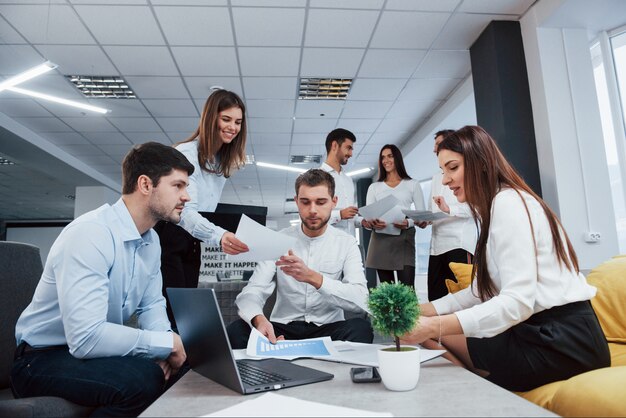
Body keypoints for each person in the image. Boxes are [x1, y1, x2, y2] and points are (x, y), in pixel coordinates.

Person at [400, 126, 610, 392]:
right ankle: (479, 393)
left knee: (432, 335)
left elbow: (517, 302)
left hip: (563, 343)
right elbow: (476, 293)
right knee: (425, 331)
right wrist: (419, 311)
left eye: (452, 168)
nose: (445, 180)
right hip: (542, 332)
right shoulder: (497, 206)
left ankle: (478, 395)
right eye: (443, 171)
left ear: (481, 163)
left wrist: (433, 325)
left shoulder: (508, 203)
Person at [11, 142, 192, 416]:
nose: (187, 196)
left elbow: (150, 305)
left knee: (187, 366)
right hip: (40, 360)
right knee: (141, 380)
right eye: (178, 186)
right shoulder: (91, 233)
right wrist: (165, 344)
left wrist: (165, 349)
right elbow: (86, 338)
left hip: (90, 352)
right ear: (145, 184)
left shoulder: (152, 240)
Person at [227, 169, 373, 349]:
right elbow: (252, 291)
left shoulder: (347, 243)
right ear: (296, 202)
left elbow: (361, 301)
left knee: (361, 328)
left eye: (321, 202)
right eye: (305, 202)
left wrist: (313, 278)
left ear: (334, 202)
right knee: (237, 330)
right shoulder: (276, 240)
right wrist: (258, 319)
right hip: (284, 329)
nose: (312, 210)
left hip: (329, 329)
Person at [154, 89, 249, 324]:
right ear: (210, 119)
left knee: (187, 312)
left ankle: (184, 358)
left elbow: (207, 210)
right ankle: (167, 357)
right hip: (171, 237)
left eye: (237, 122)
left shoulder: (220, 163)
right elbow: (185, 211)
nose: (232, 127)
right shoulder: (185, 154)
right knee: (172, 310)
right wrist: (219, 235)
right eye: (226, 119)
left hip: (192, 241)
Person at [362, 144, 426, 288]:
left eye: (390, 156)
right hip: (381, 239)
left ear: (397, 158)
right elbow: (369, 217)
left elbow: (421, 215)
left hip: (404, 238)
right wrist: (373, 222)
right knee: (388, 293)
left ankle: (408, 312)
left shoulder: (412, 184)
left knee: (407, 290)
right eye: (383, 157)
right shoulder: (374, 187)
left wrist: (408, 223)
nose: (386, 160)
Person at [427, 129, 478, 301]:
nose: (435, 149)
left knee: (464, 297)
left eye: (439, 144)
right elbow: (432, 210)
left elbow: (476, 209)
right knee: (436, 296)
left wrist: (449, 209)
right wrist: (424, 220)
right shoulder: (436, 178)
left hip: (459, 245)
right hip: (436, 248)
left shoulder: (469, 174)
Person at [320, 128, 362, 236]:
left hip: (350, 243)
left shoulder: (348, 180)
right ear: (334, 146)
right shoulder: (318, 177)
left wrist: (363, 222)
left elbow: (350, 218)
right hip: (329, 245)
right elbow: (314, 217)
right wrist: (340, 215)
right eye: (348, 148)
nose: (351, 154)